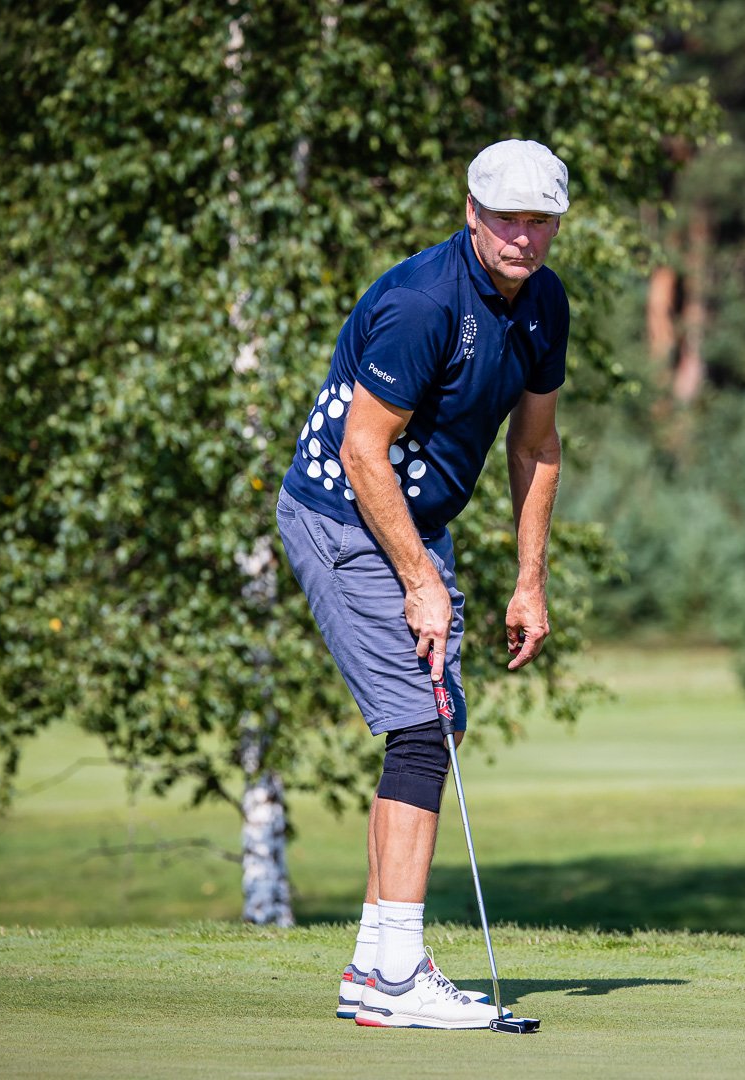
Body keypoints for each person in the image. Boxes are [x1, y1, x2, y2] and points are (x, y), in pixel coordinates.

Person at [275, 139, 569, 1030]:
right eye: (508, 218)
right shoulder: (423, 302)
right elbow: (363, 453)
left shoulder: (544, 303)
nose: (523, 236)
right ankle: (400, 974)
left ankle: (374, 968)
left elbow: (535, 446)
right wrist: (419, 582)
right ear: (472, 213)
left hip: (412, 520)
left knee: (436, 717)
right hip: (340, 513)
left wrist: (529, 581)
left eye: (540, 221)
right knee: (418, 720)